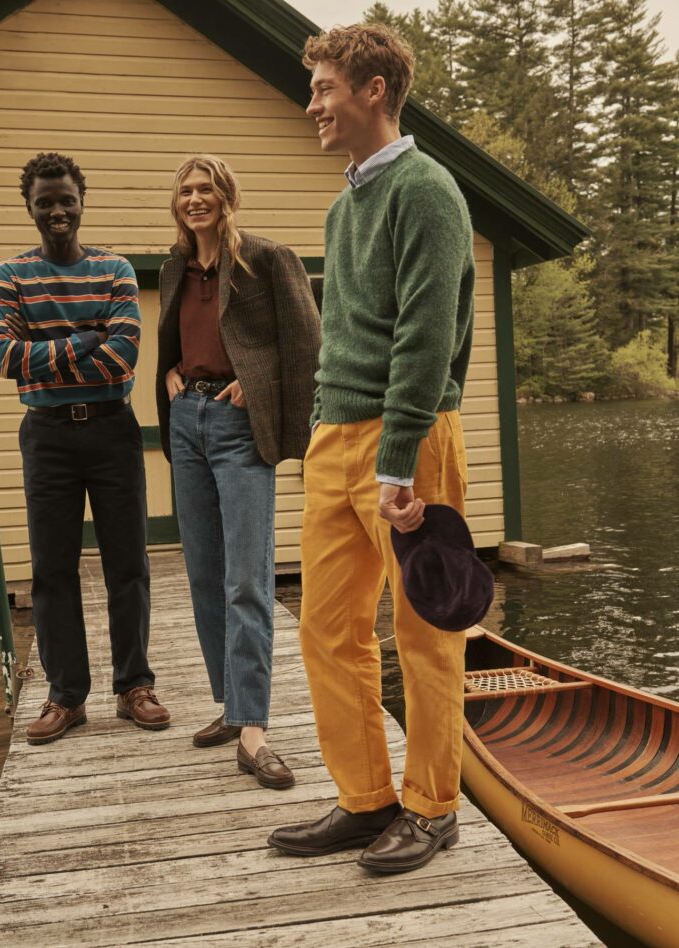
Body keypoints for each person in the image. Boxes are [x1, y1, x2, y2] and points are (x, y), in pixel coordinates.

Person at [268, 24, 476, 872]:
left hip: (411, 441)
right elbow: (344, 333)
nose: (312, 102)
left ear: (374, 91)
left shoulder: (427, 191)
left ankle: (433, 807)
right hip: (335, 438)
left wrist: (395, 460)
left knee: (427, 630)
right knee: (327, 628)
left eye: (323, 87)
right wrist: (322, 422)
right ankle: (365, 798)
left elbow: (426, 340)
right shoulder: (344, 201)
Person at [0, 152, 170, 745]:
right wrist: (87, 336)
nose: (57, 210)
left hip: (113, 429)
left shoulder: (116, 270)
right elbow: (6, 360)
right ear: (30, 207)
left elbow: (124, 358)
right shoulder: (9, 276)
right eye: (46, 201)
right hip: (47, 436)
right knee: (52, 570)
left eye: (67, 199)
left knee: (128, 563)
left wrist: (51, 346)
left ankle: (133, 686)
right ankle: (67, 697)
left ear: (81, 201)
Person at [156, 155, 320, 788]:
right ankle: (231, 706)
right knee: (203, 574)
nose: (195, 199)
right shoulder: (174, 267)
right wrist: (170, 371)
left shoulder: (266, 258)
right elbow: (175, 335)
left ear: (227, 198)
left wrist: (260, 385)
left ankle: (254, 732)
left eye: (206, 190)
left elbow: (307, 342)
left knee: (247, 579)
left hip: (236, 425)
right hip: (186, 420)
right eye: (186, 191)